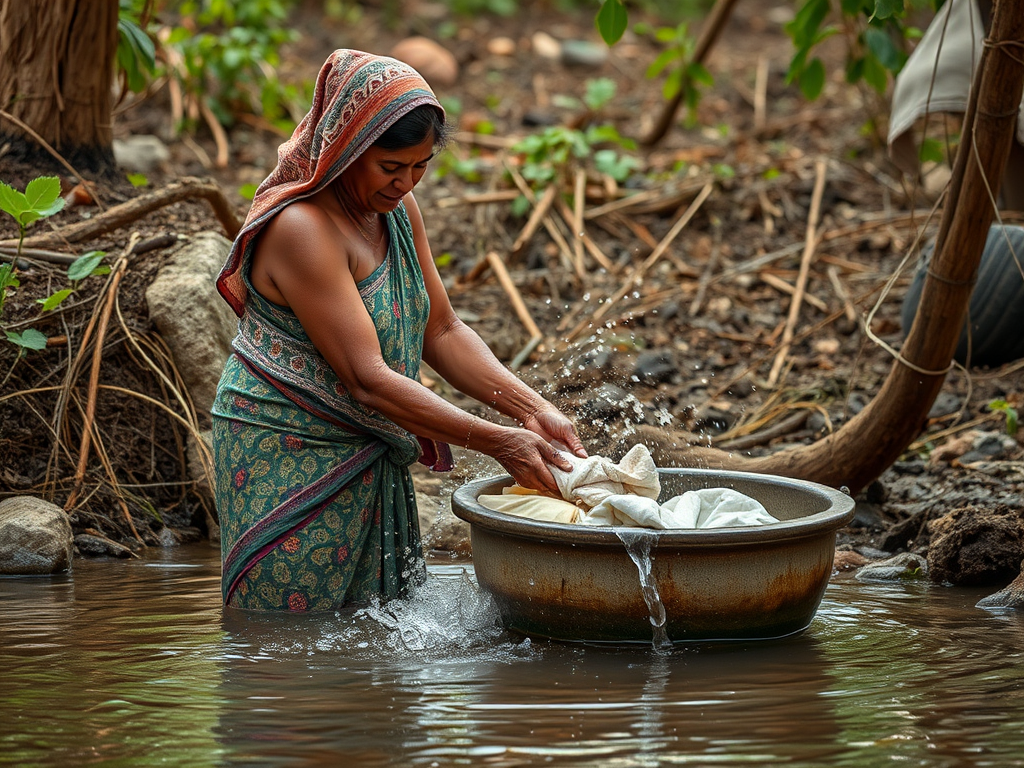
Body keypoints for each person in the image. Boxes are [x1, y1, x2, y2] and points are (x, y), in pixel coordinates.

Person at [211, 50, 586, 612]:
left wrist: (531, 409)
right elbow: (366, 379)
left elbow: (443, 329)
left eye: (421, 166)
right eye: (391, 167)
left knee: (379, 632)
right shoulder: (303, 229)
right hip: (290, 452)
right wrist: (499, 440)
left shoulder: (397, 212)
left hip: (368, 443)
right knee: (288, 646)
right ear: (347, 150)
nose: (406, 182)